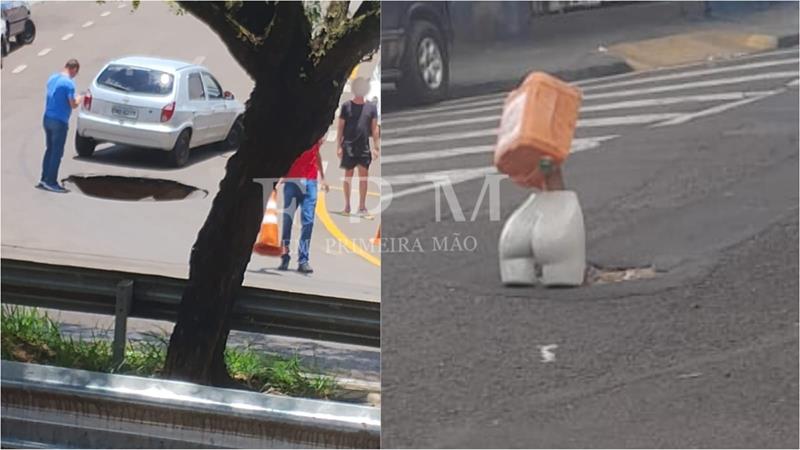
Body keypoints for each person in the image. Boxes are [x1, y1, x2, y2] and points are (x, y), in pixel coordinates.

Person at [278, 137, 329, 274]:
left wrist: (322, 178)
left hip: (310, 182)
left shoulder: (317, 133)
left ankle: (303, 260)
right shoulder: (294, 135)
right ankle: (285, 254)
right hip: (292, 181)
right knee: (287, 220)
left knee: (308, 221)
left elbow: (316, 154)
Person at [336, 77, 380, 216]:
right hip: (348, 145)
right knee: (348, 176)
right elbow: (340, 127)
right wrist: (339, 146)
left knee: (363, 177)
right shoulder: (346, 106)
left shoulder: (371, 108)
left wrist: (376, 146)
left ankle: (362, 206)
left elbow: (374, 129)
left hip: (363, 147)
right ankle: (347, 206)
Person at [38, 59, 82, 193]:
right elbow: (72, 104)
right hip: (59, 121)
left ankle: (44, 179)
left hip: (47, 118)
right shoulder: (69, 84)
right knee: (57, 152)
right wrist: (80, 98)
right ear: (73, 69)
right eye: (76, 72)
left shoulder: (52, 78)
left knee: (49, 149)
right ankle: (51, 182)